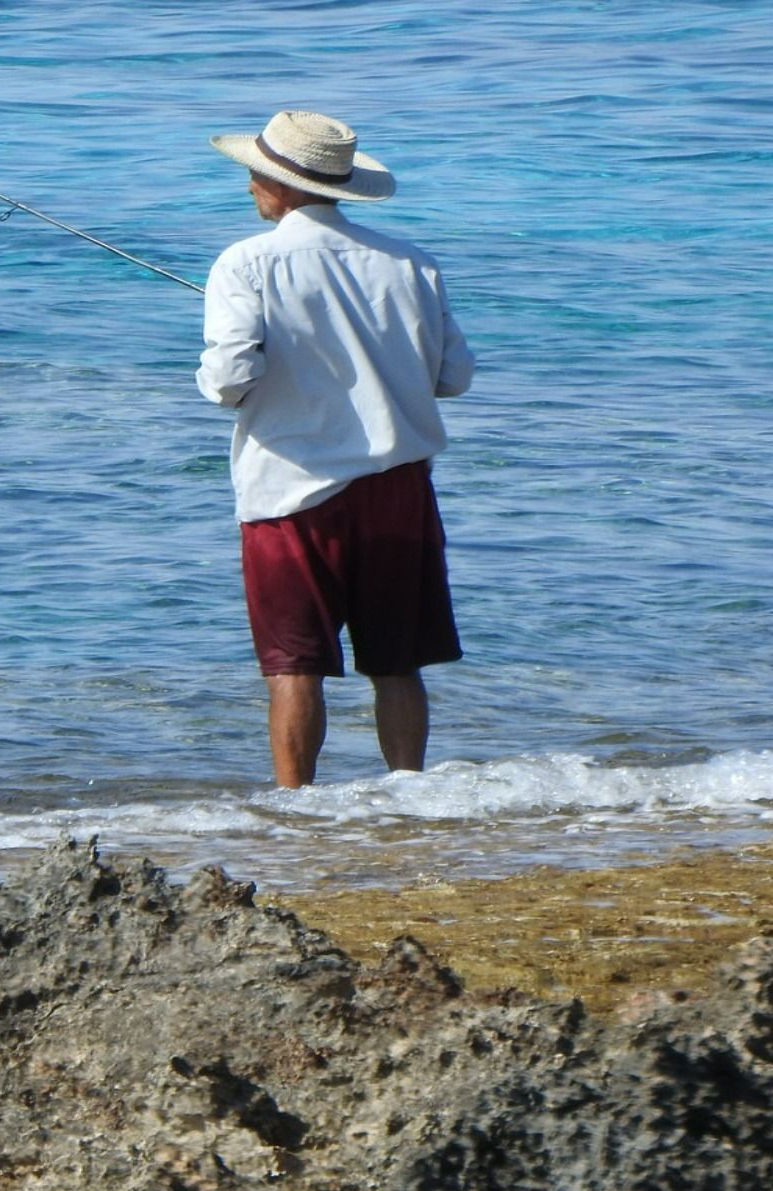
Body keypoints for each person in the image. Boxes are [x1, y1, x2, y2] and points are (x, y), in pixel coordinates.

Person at [196, 110, 475, 787]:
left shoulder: (246, 262)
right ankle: (408, 793)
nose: (249, 189)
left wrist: (216, 374)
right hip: (398, 491)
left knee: (294, 665)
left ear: (281, 185)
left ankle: (298, 812)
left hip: (290, 491)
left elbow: (229, 381)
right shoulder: (412, 263)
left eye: (255, 177)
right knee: (396, 664)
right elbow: (454, 377)